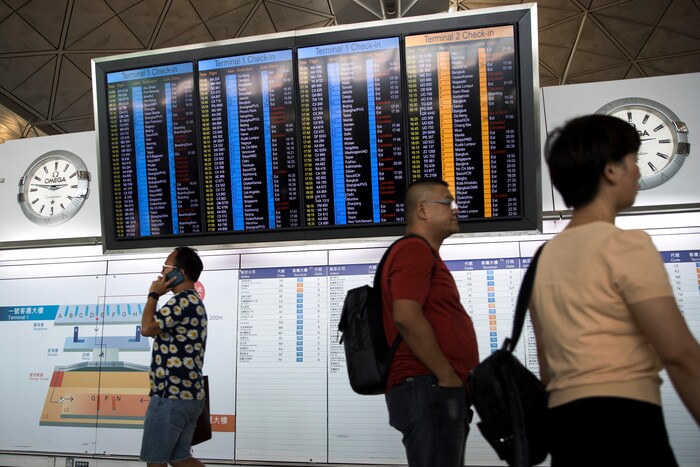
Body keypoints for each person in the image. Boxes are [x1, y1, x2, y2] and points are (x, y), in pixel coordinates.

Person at [531, 114, 700, 466]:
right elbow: (679, 353)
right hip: (625, 424)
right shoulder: (625, 245)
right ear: (611, 170)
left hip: (565, 431)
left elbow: (547, 370)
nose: (637, 172)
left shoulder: (544, 258)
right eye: (633, 161)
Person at [381, 178, 479, 467]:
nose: (456, 208)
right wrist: (447, 376)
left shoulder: (424, 254)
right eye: (447, 202)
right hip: (428, 387)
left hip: (432, 388)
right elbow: (407, 316)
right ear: (422, 211)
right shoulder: (414, 250)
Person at [139, 246, 208, 467]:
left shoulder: (181, 301)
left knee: (155, 461)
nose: (161, 273)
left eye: (166, 267)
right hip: (189, 396)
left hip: (170, 396)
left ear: (180, 272)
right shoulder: (195, 302)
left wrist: (153, 294)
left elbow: (147, 327)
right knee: (180, 459)